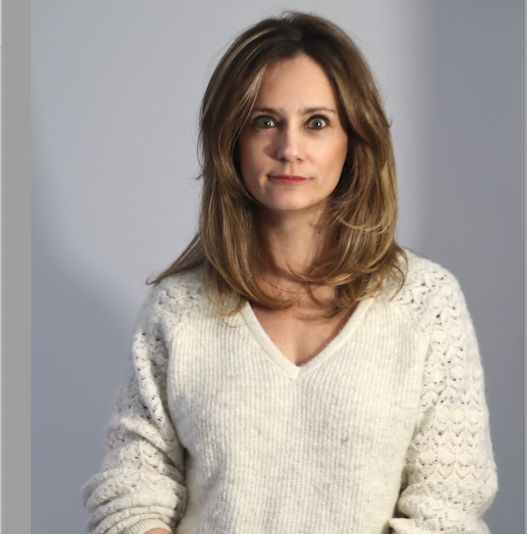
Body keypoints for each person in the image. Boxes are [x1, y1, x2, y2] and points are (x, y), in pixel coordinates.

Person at [81, 11, 498, 534]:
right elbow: (132, 488)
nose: (289, 149)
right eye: (265, 121)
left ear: (354, 139)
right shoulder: (178, 309)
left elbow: (448, 508)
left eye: (317, 122)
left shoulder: (426, 303)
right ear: (231, 139)